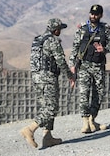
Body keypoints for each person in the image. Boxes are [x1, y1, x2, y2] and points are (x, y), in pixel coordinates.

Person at [20, 18, 75, 148]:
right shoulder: (52, 40)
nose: (60, 31)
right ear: (55, 30)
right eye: (59, 29)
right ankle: (30, 129)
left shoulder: (37, 40)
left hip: (36, 77)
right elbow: (60, 60)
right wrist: (70, 76)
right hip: (48, 77)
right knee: (52, 107)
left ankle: (47, 136)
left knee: (46, 105)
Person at [69, 4, 110, 133]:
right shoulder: (83, 29)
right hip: (84, 66)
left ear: (101, 15)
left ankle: (92, 119)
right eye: (91, 14)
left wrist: (105, 49)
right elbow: (75, 48)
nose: (93, 16)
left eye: (96, 14)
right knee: (84, 93)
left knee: (98, 94)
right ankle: (85, 122)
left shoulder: (105, 29)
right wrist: (72, 66)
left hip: (99, 66)